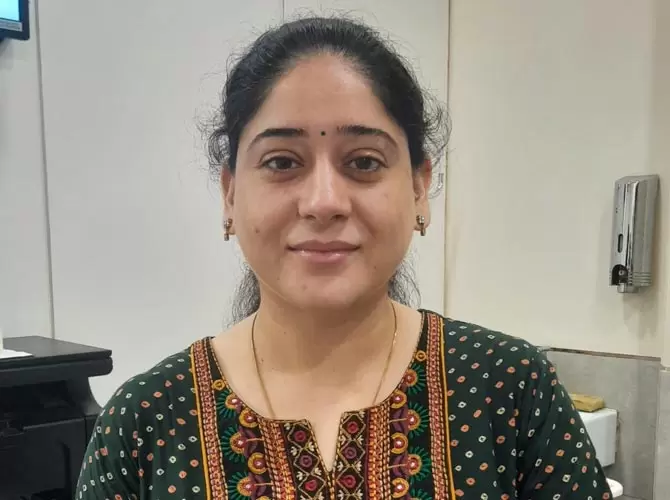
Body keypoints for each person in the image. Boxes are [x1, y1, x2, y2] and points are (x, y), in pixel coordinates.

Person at [76, 16, 613, 500]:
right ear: (230, 194)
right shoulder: (146, 422)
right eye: (282, 162)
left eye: (364, 162)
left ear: (419, 188)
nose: (324, 201)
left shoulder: (509, 390)